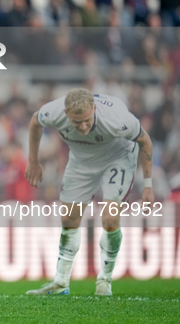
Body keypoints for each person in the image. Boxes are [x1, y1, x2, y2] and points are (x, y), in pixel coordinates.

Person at [25, 88, 154, 296]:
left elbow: (145, 141)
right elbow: (34, 121)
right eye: (77, 123)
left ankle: (105, 280)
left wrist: (148, 184)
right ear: (66, 114)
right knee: (68, 218)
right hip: (81, 161)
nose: (83, 126)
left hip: (118, 157)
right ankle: (60, 284)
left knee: (110, 218)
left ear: (94, 109)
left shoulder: (117, 119)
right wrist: (33, 161)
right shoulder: (54, 111)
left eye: (87, 120)